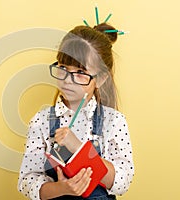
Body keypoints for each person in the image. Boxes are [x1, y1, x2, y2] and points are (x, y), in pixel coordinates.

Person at [18, 23, 134, 200]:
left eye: (80, 72)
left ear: (101, 79)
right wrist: (62, 188)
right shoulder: (41, 121)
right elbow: (26, 181)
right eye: (63, 68)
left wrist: (79, 149)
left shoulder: (114, 121)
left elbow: (122, 181)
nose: (68, 80)